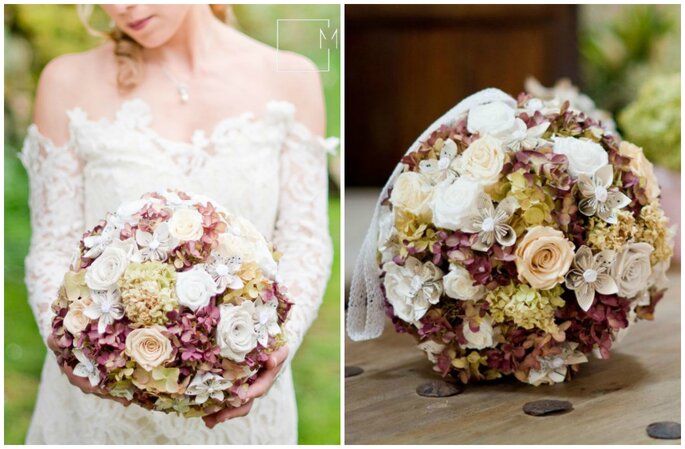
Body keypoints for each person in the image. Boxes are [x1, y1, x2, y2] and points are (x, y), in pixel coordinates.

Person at [20, 4, 333, 444]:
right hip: (100, 410)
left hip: (238, 396)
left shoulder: (290, 76)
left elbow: (305, 239)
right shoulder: (66, 81)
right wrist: (73, 345)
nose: (120, 6)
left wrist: (277, 348)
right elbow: (53, 243)